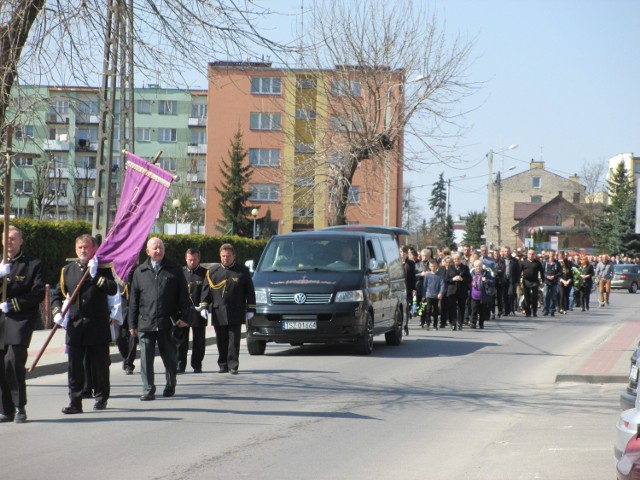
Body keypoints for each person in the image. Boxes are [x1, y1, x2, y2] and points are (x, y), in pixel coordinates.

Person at [52, 234, 118, 414]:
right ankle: (75, 402)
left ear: (94, 249)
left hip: (97, 326)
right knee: (75, 367)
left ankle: (101, 397)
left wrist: (96, 276)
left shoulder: (103, 269)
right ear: (76, 249)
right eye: (80, 247)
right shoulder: (68, 270)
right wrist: (57, 312)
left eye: (87, 247)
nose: (83, 250)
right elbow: (58, 295)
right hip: (75, 326)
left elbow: (112, 289)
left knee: (100, 367)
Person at [129, 237, 190, 401]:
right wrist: (132, 324)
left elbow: (184, 296)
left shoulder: (174, 270)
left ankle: (171, 384)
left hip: (166, 323)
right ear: (147, 252)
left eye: (160, 248)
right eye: (154, 248)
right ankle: (148, 389)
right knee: (146, 359)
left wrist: (184, 317)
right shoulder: (139, 272)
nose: (158, 251)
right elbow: (133, 300)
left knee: (170, 358)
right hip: (145, 323)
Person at [0, 226, 45, 423]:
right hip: (1, 320)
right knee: (1, 364)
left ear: (21, 241)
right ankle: (5, 409)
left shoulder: (33, 264)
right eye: (6, 239)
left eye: (13, 238)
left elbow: (37, 293)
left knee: (13, 360)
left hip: (20, 320)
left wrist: (13, 304)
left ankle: (20, 406)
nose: (9, 242)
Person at [200, 243, 255, 375]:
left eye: (228, 256)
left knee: (234, 340)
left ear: (233, 256)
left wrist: (251, 309)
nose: (225, 258)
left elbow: (250, 291)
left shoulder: (242, 271)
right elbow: (206, 291)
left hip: (236, 310)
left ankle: (233, 365)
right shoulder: (212, 272)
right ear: (220, 256)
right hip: (218, 311)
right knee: (221, 339)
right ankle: (223, 364)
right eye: (223, 256)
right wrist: (204, 306)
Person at [176, 248, 208, 374]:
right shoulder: (180, 272)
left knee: (199, 340)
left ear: (199, 259)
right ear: (185, 258)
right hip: (183, 311)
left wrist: (204, 306)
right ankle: (180, 364)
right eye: (190, 259)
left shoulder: (205, 273)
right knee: (181, 340)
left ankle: (197, 364)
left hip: (197, 310)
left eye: (195, 259)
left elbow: (206, 291)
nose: (192, 262)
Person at [444, 252, 471, 331]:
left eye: (458, 259)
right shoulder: (450, 267)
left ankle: (460, 323)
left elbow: (469, 279)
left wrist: (462, 279)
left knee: (461, 307)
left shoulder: (465, 267)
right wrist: (453, 279)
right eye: (455, 259)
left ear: (461, 259)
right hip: (452, 290)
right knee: (452, 307)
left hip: (462, 290)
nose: (456, 260)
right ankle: (453, 323)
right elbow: (446, 279)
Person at [421, 260, 445, 330]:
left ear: (437, 266)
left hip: (436, 295)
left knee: (435, 311)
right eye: (431, 266)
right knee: (428, 309)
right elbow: (424, 286)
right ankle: (427, 323)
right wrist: (423, 295)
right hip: (428, 295)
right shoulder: (427, 275)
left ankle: (435, 324)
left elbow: (442, 285)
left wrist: (441, 292)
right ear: (429, 266)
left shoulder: (440, 275)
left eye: (434, 266)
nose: (433, 267)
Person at [469, 259, 494, 329]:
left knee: (482, 311)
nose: (478, 268)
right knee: (474, 310)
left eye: (480, 266)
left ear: (482, 267)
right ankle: (473, 323)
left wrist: (486, 280)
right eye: (476, 266)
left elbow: (492, 281)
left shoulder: (486, 273)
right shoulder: (472, 273)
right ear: (474, 267)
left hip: (483, 295)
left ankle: (481, 323)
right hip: (474, 295)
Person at [520, 249, 544, 317]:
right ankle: (528, 312)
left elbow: (542, 272)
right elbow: (519, 271)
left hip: (535, 282)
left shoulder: (537, 263)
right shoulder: (523, 263)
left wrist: (543, 281)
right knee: (526, 297)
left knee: (534, 297)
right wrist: (518, 281)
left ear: (534, 255)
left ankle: (534, 311)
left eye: (532, 254)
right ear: (527, 254)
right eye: (530, 254)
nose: (531, 255)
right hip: (526, 281)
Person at [400, 245, 416, 335]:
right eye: (401, 252)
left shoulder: (411, 263)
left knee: (406, 308)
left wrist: (414, 289)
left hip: (407, 289)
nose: (402, 254)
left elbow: (413, 277)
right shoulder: (396, 262)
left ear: (407, 253)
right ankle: (399, 326)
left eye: (403, 252)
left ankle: (405, 326)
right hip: (398, 289)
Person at [501, 246, 521, 317]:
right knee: (504, 295)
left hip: (511, 280)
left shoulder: (514, 260)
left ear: (510, 252)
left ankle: (511, 309)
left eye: (508, 251)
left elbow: (518, 272)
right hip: (503, 280)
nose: (507, 253)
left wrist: (518, 281)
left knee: (511, 295)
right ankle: (504, 310)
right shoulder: (501, 260)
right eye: (505, 251)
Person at [542, 250, 562, 316]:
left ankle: (552, 310)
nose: (552, 255)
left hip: (554, 282)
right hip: (546, 281)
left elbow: (560, 272)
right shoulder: (545, 262)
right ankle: (545, 310)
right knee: (545, 296)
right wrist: (546, 276)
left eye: (553, 254)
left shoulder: (557, 263)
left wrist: (554, 276)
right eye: (550, 254)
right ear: (549, 254)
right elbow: (542, 272)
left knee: (553, 297)